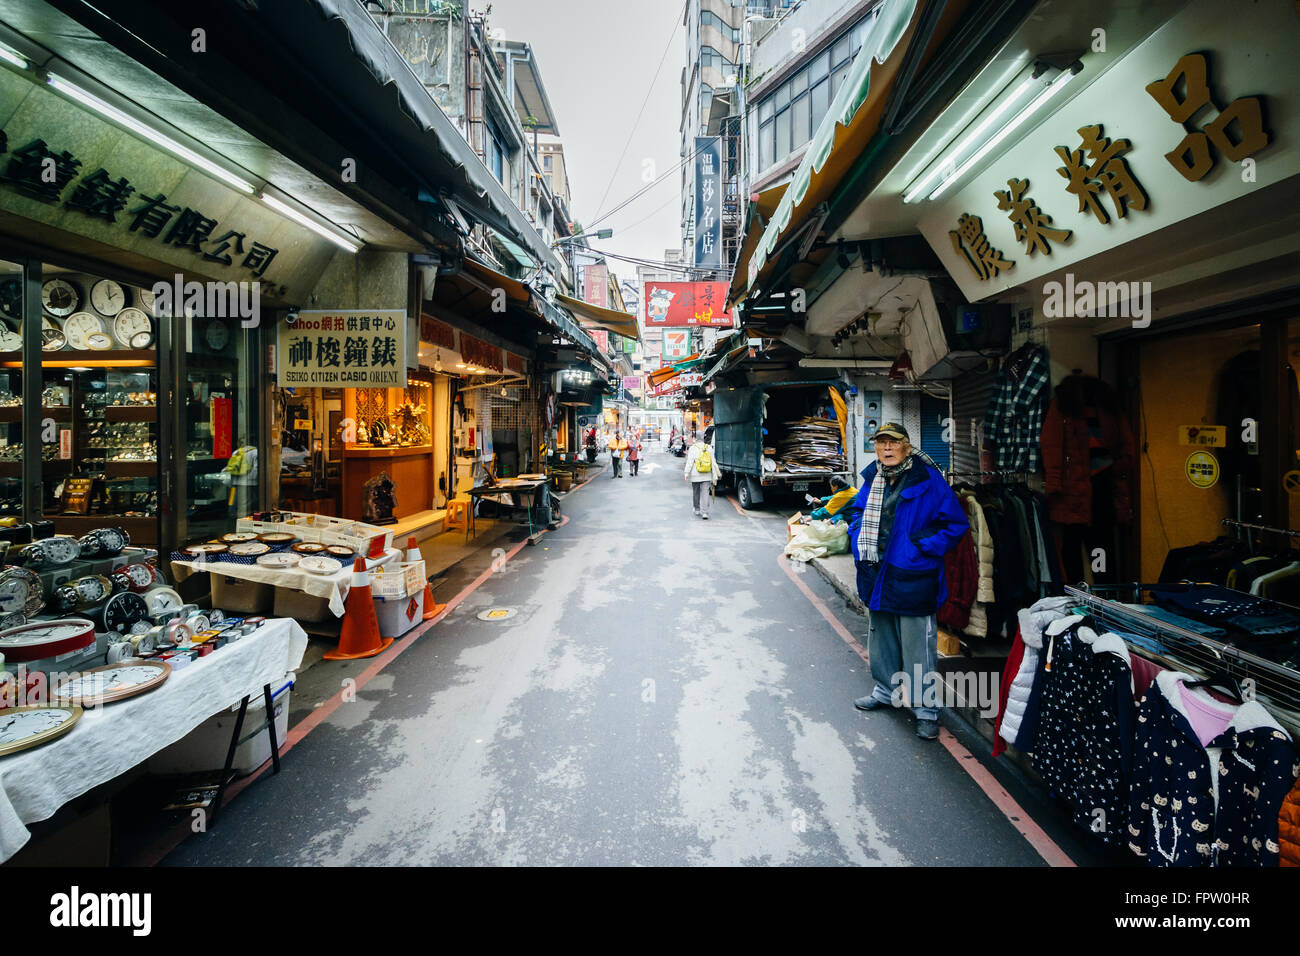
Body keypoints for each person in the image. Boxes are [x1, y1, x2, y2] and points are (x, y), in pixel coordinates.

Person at [844, 423, 969, 740]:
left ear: (907, 447)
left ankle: (926, 709)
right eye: (881, 443)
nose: (886, 449)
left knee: (918, 646)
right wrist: (858, 534)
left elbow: (955, 524)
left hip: (913, 572)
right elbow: (858, 511)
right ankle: (885, 691)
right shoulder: (872, 477)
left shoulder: (928, 479)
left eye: (893, 443)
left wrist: (921, 546)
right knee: (881, 636)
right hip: (876, 571)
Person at [683, 425, 721, 518]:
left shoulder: (693, 448)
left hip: (695, 475)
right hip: (707, 474)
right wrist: (715, 473)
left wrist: (686, 473)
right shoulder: (709, 448)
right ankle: (705, 512)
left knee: (696, 492)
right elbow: (713, 462)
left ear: (695, 438)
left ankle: (697, 509)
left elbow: (690, 462)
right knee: (705, 493)